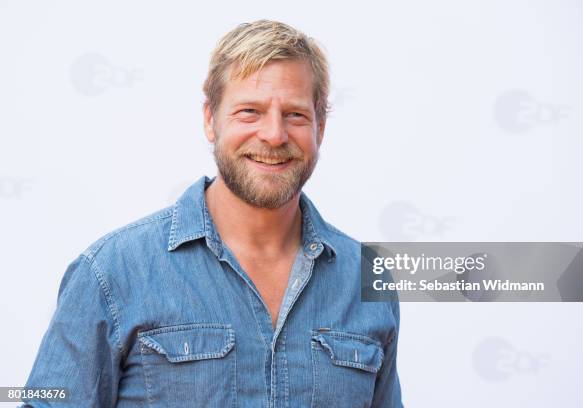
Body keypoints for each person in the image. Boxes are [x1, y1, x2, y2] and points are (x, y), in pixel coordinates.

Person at [21, 20, 402, 407]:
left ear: (320, 127)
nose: (273, 134)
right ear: (210, 119)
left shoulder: (366, 278)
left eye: (295, 115)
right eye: (249, 111)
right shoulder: (111, 272)